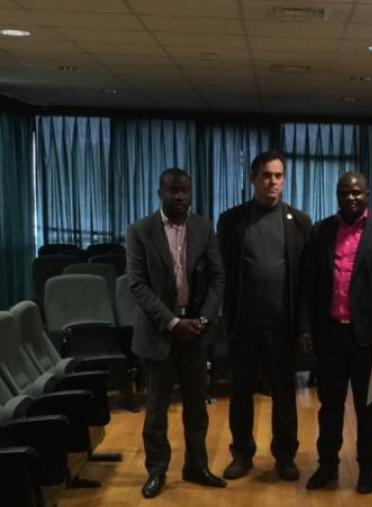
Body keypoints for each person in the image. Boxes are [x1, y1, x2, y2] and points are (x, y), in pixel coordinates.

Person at [126, 168, 227, 499]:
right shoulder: (140, 231)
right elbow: (138, 286)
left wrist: (205, 318)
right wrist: (172, 322)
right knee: (156, 411)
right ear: (159, 192)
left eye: (184, 190)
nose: (179, 196)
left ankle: (196, 467)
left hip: (197, 332)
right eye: (172, 191)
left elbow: (217, 278)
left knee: (197, 407)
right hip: (159, 333)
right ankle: (156, 471)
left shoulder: (203, 226)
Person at [301, 172, 372, 494]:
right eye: (345, 193)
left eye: (357, 193)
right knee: (329, 406)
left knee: (367, 407)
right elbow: (308, 285)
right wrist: (305, 327)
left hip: (368, 341)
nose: (351, 198)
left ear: (368, 194)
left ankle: (367, 470)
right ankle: (327, 466)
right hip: (329, 336)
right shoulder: (321, 231)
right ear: (337, 195)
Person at [216, 150, 312, 481]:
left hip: (282, 326)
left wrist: (303, 326)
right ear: (253, 179)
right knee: (241, 392)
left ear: (284, 180)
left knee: (285, 394)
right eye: (266, 175)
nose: (273, 182)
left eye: (278, 176)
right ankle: (241, 454)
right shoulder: (231, 220)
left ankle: (285, 456)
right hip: (243, 324)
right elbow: (222, 274)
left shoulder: (299, 221)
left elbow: (305, 282)